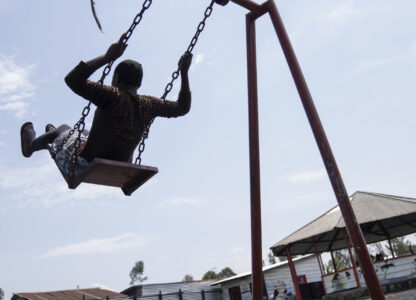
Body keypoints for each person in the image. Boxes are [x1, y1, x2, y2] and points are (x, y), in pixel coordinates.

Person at [20, 35, 192, 177]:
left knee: (62, 129)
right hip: (123, 163)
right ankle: (58, 136)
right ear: (138, 83)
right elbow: (182, 107)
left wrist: (107, 57)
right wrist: (184, 72)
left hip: (87, 160)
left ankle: (31, 146)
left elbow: (72, 80)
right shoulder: (150, 104)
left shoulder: (111, 95)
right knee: (83, 133)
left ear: (116, 78)